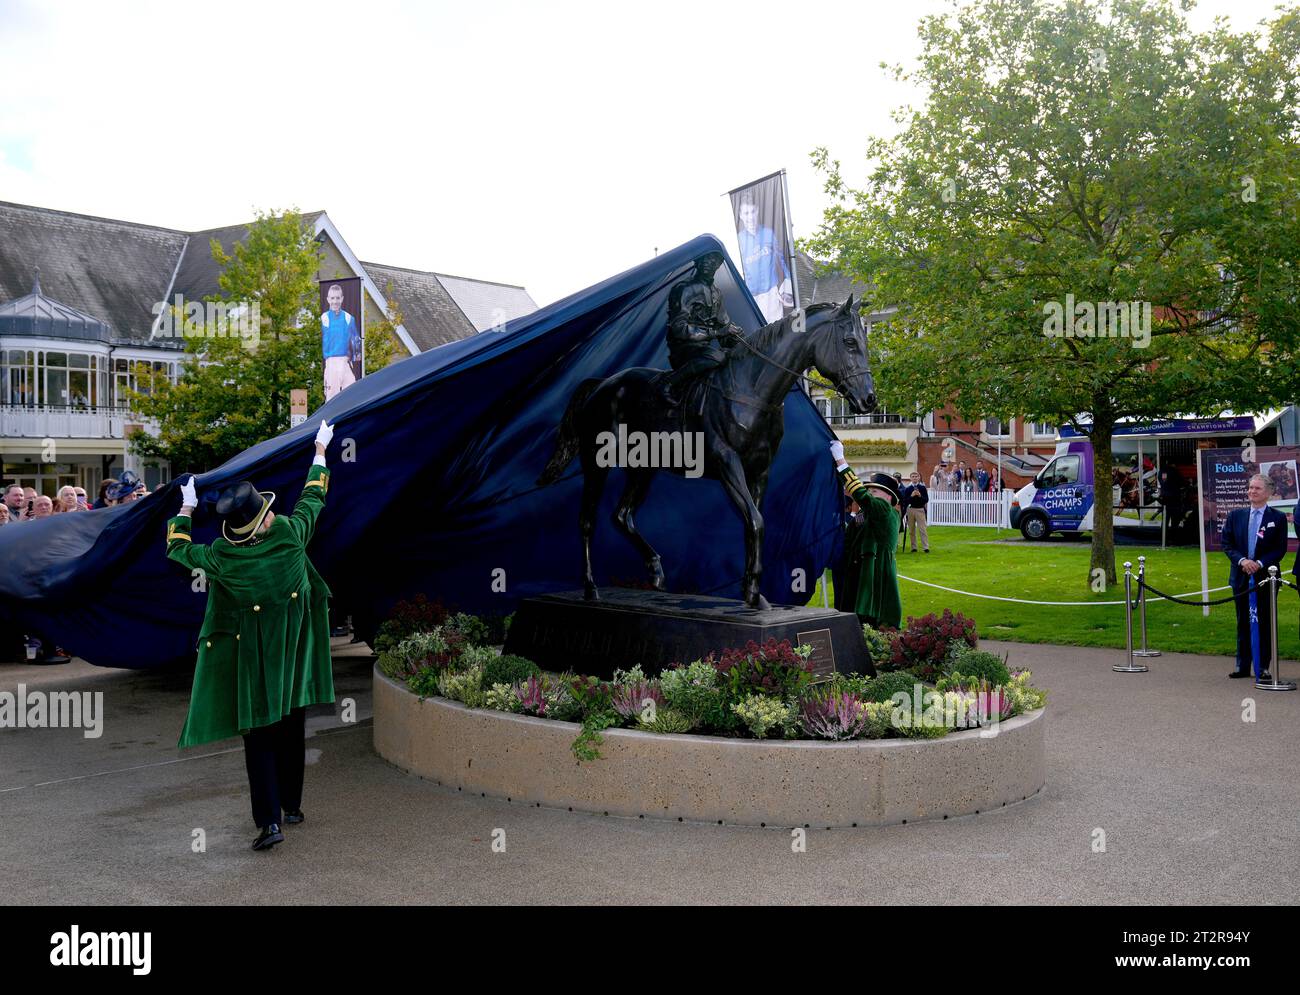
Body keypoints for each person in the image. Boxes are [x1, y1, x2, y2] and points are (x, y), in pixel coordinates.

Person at [166, 420, 337, 851]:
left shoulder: (222, 556)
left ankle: (270, 823)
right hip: (294, 654)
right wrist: (320, 450)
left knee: (258, 737)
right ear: (262, 522)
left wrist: (185, 510)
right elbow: (313, 498)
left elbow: (178, 550)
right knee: (292, 726)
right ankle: (293, 806)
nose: (274, 513)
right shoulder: (290, 537)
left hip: (252, 662)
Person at [828, 440, 902, 630]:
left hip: (875, 573)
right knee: (853, 620)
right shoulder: (865, 513)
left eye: (874, 490)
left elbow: (860, 495)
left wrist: (841, 461)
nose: (870, 493)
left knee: (872, 620)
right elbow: (850, 538)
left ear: (888, 496)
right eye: (869, 490)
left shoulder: (885, 509)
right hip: (858, 572)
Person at [1222, 473, 1288, 681]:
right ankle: (1242, 665)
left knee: (1265, 621)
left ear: (1268, 492)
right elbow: (1227, 544)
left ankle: (1263, 667)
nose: (1252, 491)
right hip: (1241, 578)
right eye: (1250, 487)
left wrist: (1259, 563)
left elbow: (1279, 549)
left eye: (1257, 488)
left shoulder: (1277, 518)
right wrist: (1242, 561)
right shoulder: (1236, 516)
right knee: (1243, 621)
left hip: (1265, 579)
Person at [660, 251, 743, 409]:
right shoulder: (684, 289)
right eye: (704, 258)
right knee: (718, 357)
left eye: (713, 259)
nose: (708, 262)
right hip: (683, 350)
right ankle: (668, 384)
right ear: (696, 261)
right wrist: (717, 333)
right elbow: (679, 329)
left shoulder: (717, 293)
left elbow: (723, 328)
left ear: (718, 265)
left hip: (703, 351)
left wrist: (735, 335)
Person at [735, 196, 793, 323]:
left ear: (757, 211)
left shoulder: (768, 233)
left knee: (777, 333)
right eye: (746, 213)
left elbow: (781, 260)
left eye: (752, 212)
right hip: (752, 298)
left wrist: (787, 288)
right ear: (740, 216)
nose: (750, 217)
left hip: (772, 294)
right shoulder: (738, 241)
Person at [321, 284, 359, 401]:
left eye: (337, 298)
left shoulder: (348, 318)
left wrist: (356, 356)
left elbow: (355, 339)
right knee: (332, 397)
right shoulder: (324, 318)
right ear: (328, 299)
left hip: (345, 361)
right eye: (332, 298)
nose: (335, 301)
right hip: (331, 361)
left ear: (342, 298)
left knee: (352, 391)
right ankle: (330, 419)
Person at [903, 470, 930, 553]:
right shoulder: (908, 489)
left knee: (922, 529)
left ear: (919, 478)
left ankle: (925, 547)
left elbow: (926, 500)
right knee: (911, 530)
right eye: (913, 476)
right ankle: (913, 547)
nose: (915, 478)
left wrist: (920, 495)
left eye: (916, 476)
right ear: (910, 478)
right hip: (910, 510)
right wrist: (911, 496)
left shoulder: (922, 488)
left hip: (920, 510)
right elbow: (905, 501)